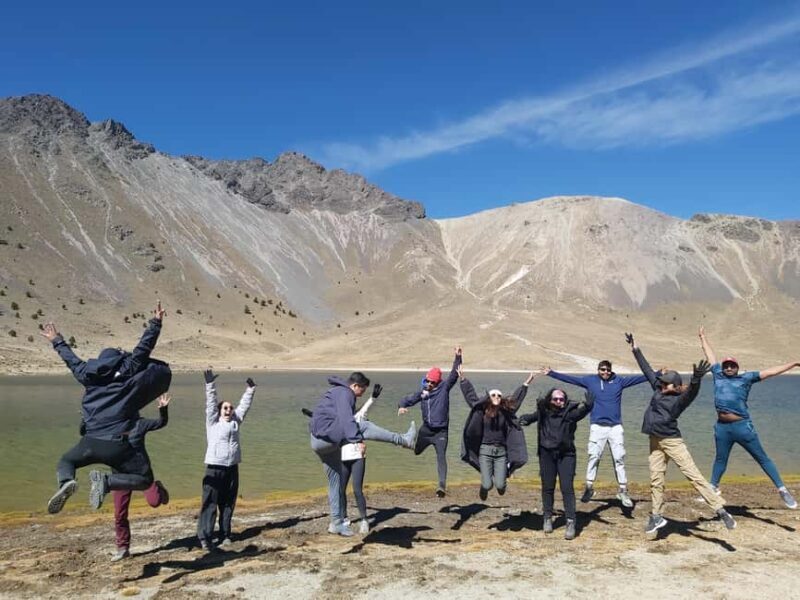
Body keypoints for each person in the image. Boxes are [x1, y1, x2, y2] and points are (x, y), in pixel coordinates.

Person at [42, 301, 171, 514]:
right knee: (144, 479)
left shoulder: (86, 373)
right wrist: (156, 322)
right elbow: (143, 348)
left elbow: (71, 360)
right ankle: (106, 482)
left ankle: (66, 481)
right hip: (117, 444)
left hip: (90, 441)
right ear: (118, 359)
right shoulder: (127, 369)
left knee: (67, 460)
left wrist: (57, 340)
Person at [628, 332, 737, 534]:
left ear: (676, 386)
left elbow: (690, 394)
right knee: (656, 480)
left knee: (693, 476)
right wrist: (636, 349)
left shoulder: (678, 401)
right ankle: (656, 516)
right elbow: (647, 370)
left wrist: (696, 380)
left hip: (672, 441)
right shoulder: (657, 389)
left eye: (665, 383)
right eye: (660, 382)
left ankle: (721, 510)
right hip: (655, 441)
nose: (660, 384)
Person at [699, 326, 799, 508]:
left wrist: (792, 364)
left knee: (762, 458)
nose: (728, 367)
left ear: (737, 368)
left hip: (742, 426)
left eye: (732, 365)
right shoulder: (717, 375)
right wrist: (703, 337)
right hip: (722, 428)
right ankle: (712, 487)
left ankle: (783, 490)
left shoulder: (746, 379)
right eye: (726, 365)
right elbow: (710, 355)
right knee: (720, 459)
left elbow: (770, 372)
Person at [310, 373, 416, 537]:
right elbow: (347, 419)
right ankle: (404, 440)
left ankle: (336, 523)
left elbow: (335, 416)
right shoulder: (346, 393)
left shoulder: (336, 393)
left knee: (335, 481)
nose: (361, 395)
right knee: (364, 426)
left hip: (318, 442)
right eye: (362, 391)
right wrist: (356, 440)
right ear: (355, 386)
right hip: (327, 438)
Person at [543, 357, 654, 508]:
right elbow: (571, 379)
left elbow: (639, 378)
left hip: (615, 427)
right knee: (594, 457)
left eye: (608, 370)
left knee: (619, 458)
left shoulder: (619, 382)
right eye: (603, 370)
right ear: (598, 370)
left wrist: (658, 374)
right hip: (597, 426)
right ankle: (589, 488)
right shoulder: (590, 381)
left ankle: (623, 490)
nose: (606, 372)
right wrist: (552, 373)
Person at [519, 388, 594, 540]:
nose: (559, 402)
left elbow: (581, 412)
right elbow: (530, 418)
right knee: (548, 487)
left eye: (562, 399)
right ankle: (547, 517)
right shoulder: (543, 412)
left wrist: (588, 406)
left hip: (566, 455)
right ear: (549, 400)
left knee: (567, 488)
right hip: (546, 455)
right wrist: (522, 419)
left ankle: (571, 522)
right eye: (556, 399)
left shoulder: (570, 413)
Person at [197, 369, 256, 551]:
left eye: (230, 408)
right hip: (214, 467)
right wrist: (210, 385)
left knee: (228, 504)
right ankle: (205, 537)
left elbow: (244, 406)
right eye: (225, 408)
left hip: (232, 468)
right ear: (219, 411)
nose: (229, 410)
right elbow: (211, 402)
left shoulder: (235, 421)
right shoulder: (213, 422)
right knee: (210, 504)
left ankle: (225, 534)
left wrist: (250, 390)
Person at [111, 393, 171, 561]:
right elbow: (87, 432)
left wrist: (163, 409)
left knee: (154, 502)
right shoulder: (110, 426)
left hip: (141, 473)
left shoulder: (140, 424)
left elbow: (161, 423)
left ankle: (158, 487)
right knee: (119, 514)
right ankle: (123, 548)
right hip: (120, 475)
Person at [458, 366, 533, 500]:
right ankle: (484, 487)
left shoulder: (506, 411)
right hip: (485, 451)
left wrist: (526, 384)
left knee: (500, 485)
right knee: (487, 485)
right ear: (489, 398)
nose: (497, 397)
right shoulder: (482, 410)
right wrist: (463, 380)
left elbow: (516, 400)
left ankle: (501, 484)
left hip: (501, 453)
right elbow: (471, 398)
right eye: (493, 395)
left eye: (499, 395)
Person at [398, 347, 463, 497]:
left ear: (437, 382)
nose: (429, 384)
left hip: (441, 432)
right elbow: (409, 399)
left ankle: (441, 486)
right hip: (426, 430)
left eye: (432, 382)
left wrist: (458, 357)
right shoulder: (423, 393)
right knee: (416, 451)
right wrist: (401, 406)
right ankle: (408, 442)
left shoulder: (444, 388)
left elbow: (454, 374)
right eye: (427, 381)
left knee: (441, 456)